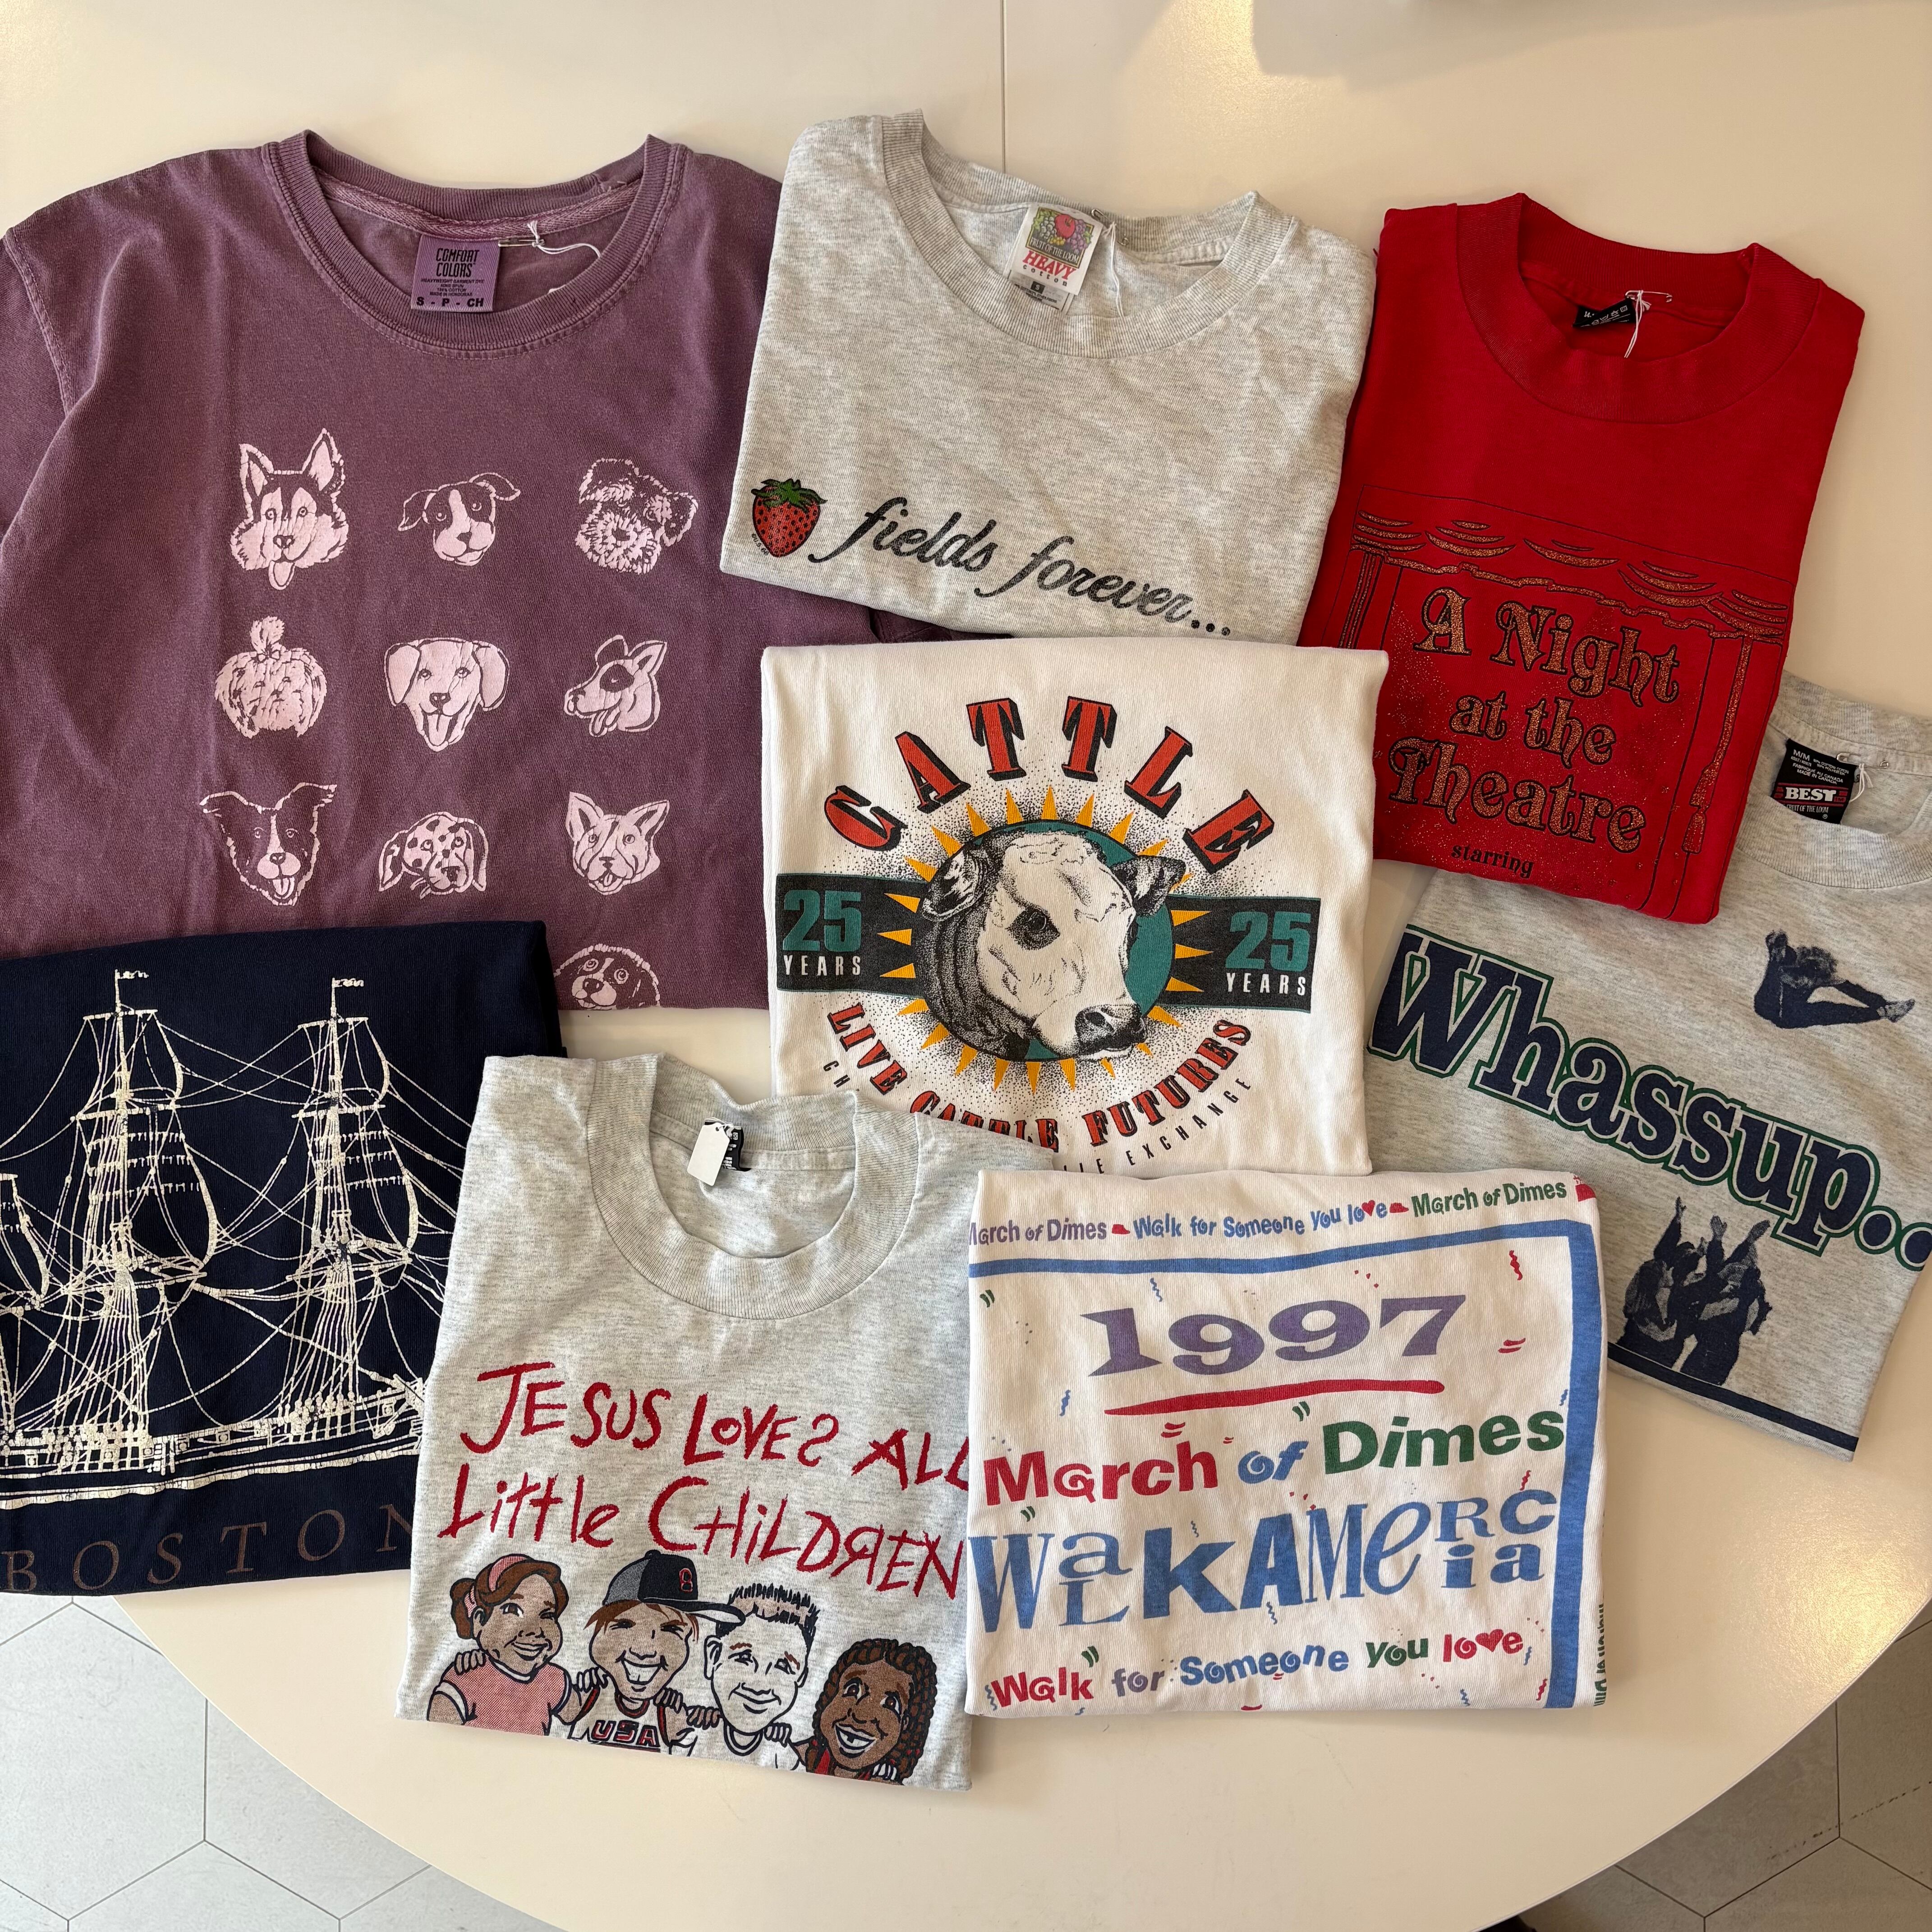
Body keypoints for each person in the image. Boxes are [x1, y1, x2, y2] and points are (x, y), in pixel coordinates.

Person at [566, 1551, 742, 1753]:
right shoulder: (588, 1693)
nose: (645, 1652)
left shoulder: (668, 1713)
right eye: (625, 1625)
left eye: (672, 1630)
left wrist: (699, 1723)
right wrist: (572, 1692)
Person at [672, 1584, 818, 1770]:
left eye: (783, 1667)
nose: (760, 1685)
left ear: (802, 1677)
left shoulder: (782, 1756)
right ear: (713, 1656)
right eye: (745, 1658)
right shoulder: (692, 1734)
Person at [427, 1555, 579, 1734]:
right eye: (513, 1610)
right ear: (480, 1621)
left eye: (547, 1616)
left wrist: (594, 1679)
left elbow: (573, 1714)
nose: (535, 1631)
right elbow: (438, 1725)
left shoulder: (552, 1679)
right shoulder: (470, 1673)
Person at [799, 1637, 937, 1783]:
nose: (861, 1716)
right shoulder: (798, 1756)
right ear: (832, 1694)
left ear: (905, 1724)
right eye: (853, 1690)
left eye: (890, 1704)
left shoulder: (887, 1785)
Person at [1755, 930, 1913, 1028]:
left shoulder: (1821, 976)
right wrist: (1778, 953)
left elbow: (1854, 991)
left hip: (1791, 1016)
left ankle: (1885, 1012)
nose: (1802, 982)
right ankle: (1775, 955)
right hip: (1767, 1006)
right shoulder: (1789, 964)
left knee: (1831, 1010)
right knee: (1775, 978)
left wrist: (1882, 1004)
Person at [1682, 1221, 1773, 1385]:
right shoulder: (1728, 1287)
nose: (1737, 1269)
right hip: (1711, 1347)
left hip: (1718, 1349)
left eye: (1743, 1268)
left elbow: (1719, 1273)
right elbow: (1719, 1270)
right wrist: (1745, 1240)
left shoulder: (1747, 1297)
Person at [1617, 1198, 1700, 1366]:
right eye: (1685, 1255)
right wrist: (1677, 1221)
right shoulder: (1655, 1271)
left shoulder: (1686, 1285)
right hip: (1638, 1337)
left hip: (1662, 1349)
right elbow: (1663, 1252)